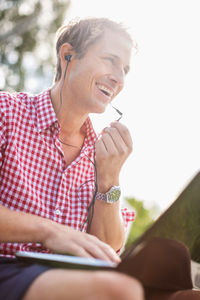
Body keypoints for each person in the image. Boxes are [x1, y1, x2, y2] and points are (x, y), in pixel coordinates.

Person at [0, 17, 144, 300]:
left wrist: (108, 180)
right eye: (110, 60)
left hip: (58, 275)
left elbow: (107, 249)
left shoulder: (101, 151)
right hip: (6, 265)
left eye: (125, 69)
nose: (120, 78)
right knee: (119, 291)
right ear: (68, 55)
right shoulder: (6, 113)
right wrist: (48, 231)